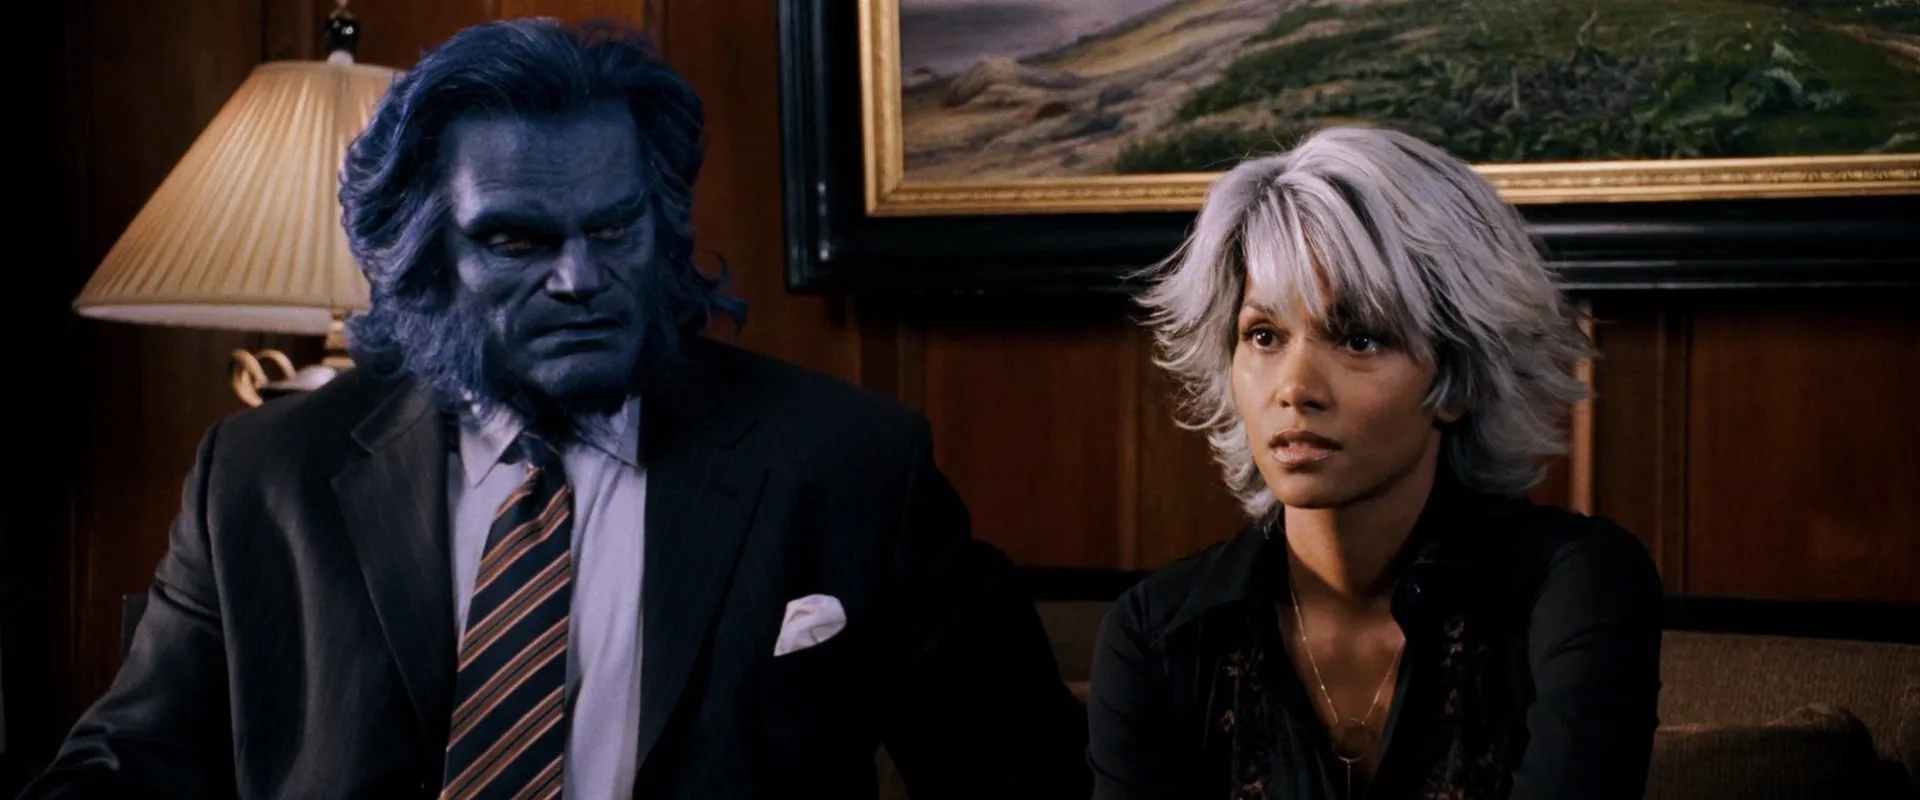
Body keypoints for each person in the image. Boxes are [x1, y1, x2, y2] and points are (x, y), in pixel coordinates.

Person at [20, 19, 1090, 800]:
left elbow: (1024, 776)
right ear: (422, 257)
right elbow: (124, 770)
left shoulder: (851, 461)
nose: (580, 279)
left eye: (614, 230)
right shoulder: (263, 477)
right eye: (517, 240)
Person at [1089, 126, 1664, 800]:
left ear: (1457, 377)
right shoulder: (1158, 635)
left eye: (1359, 339)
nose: (1294, 387)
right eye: (1264, 335)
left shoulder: (1574, 589)